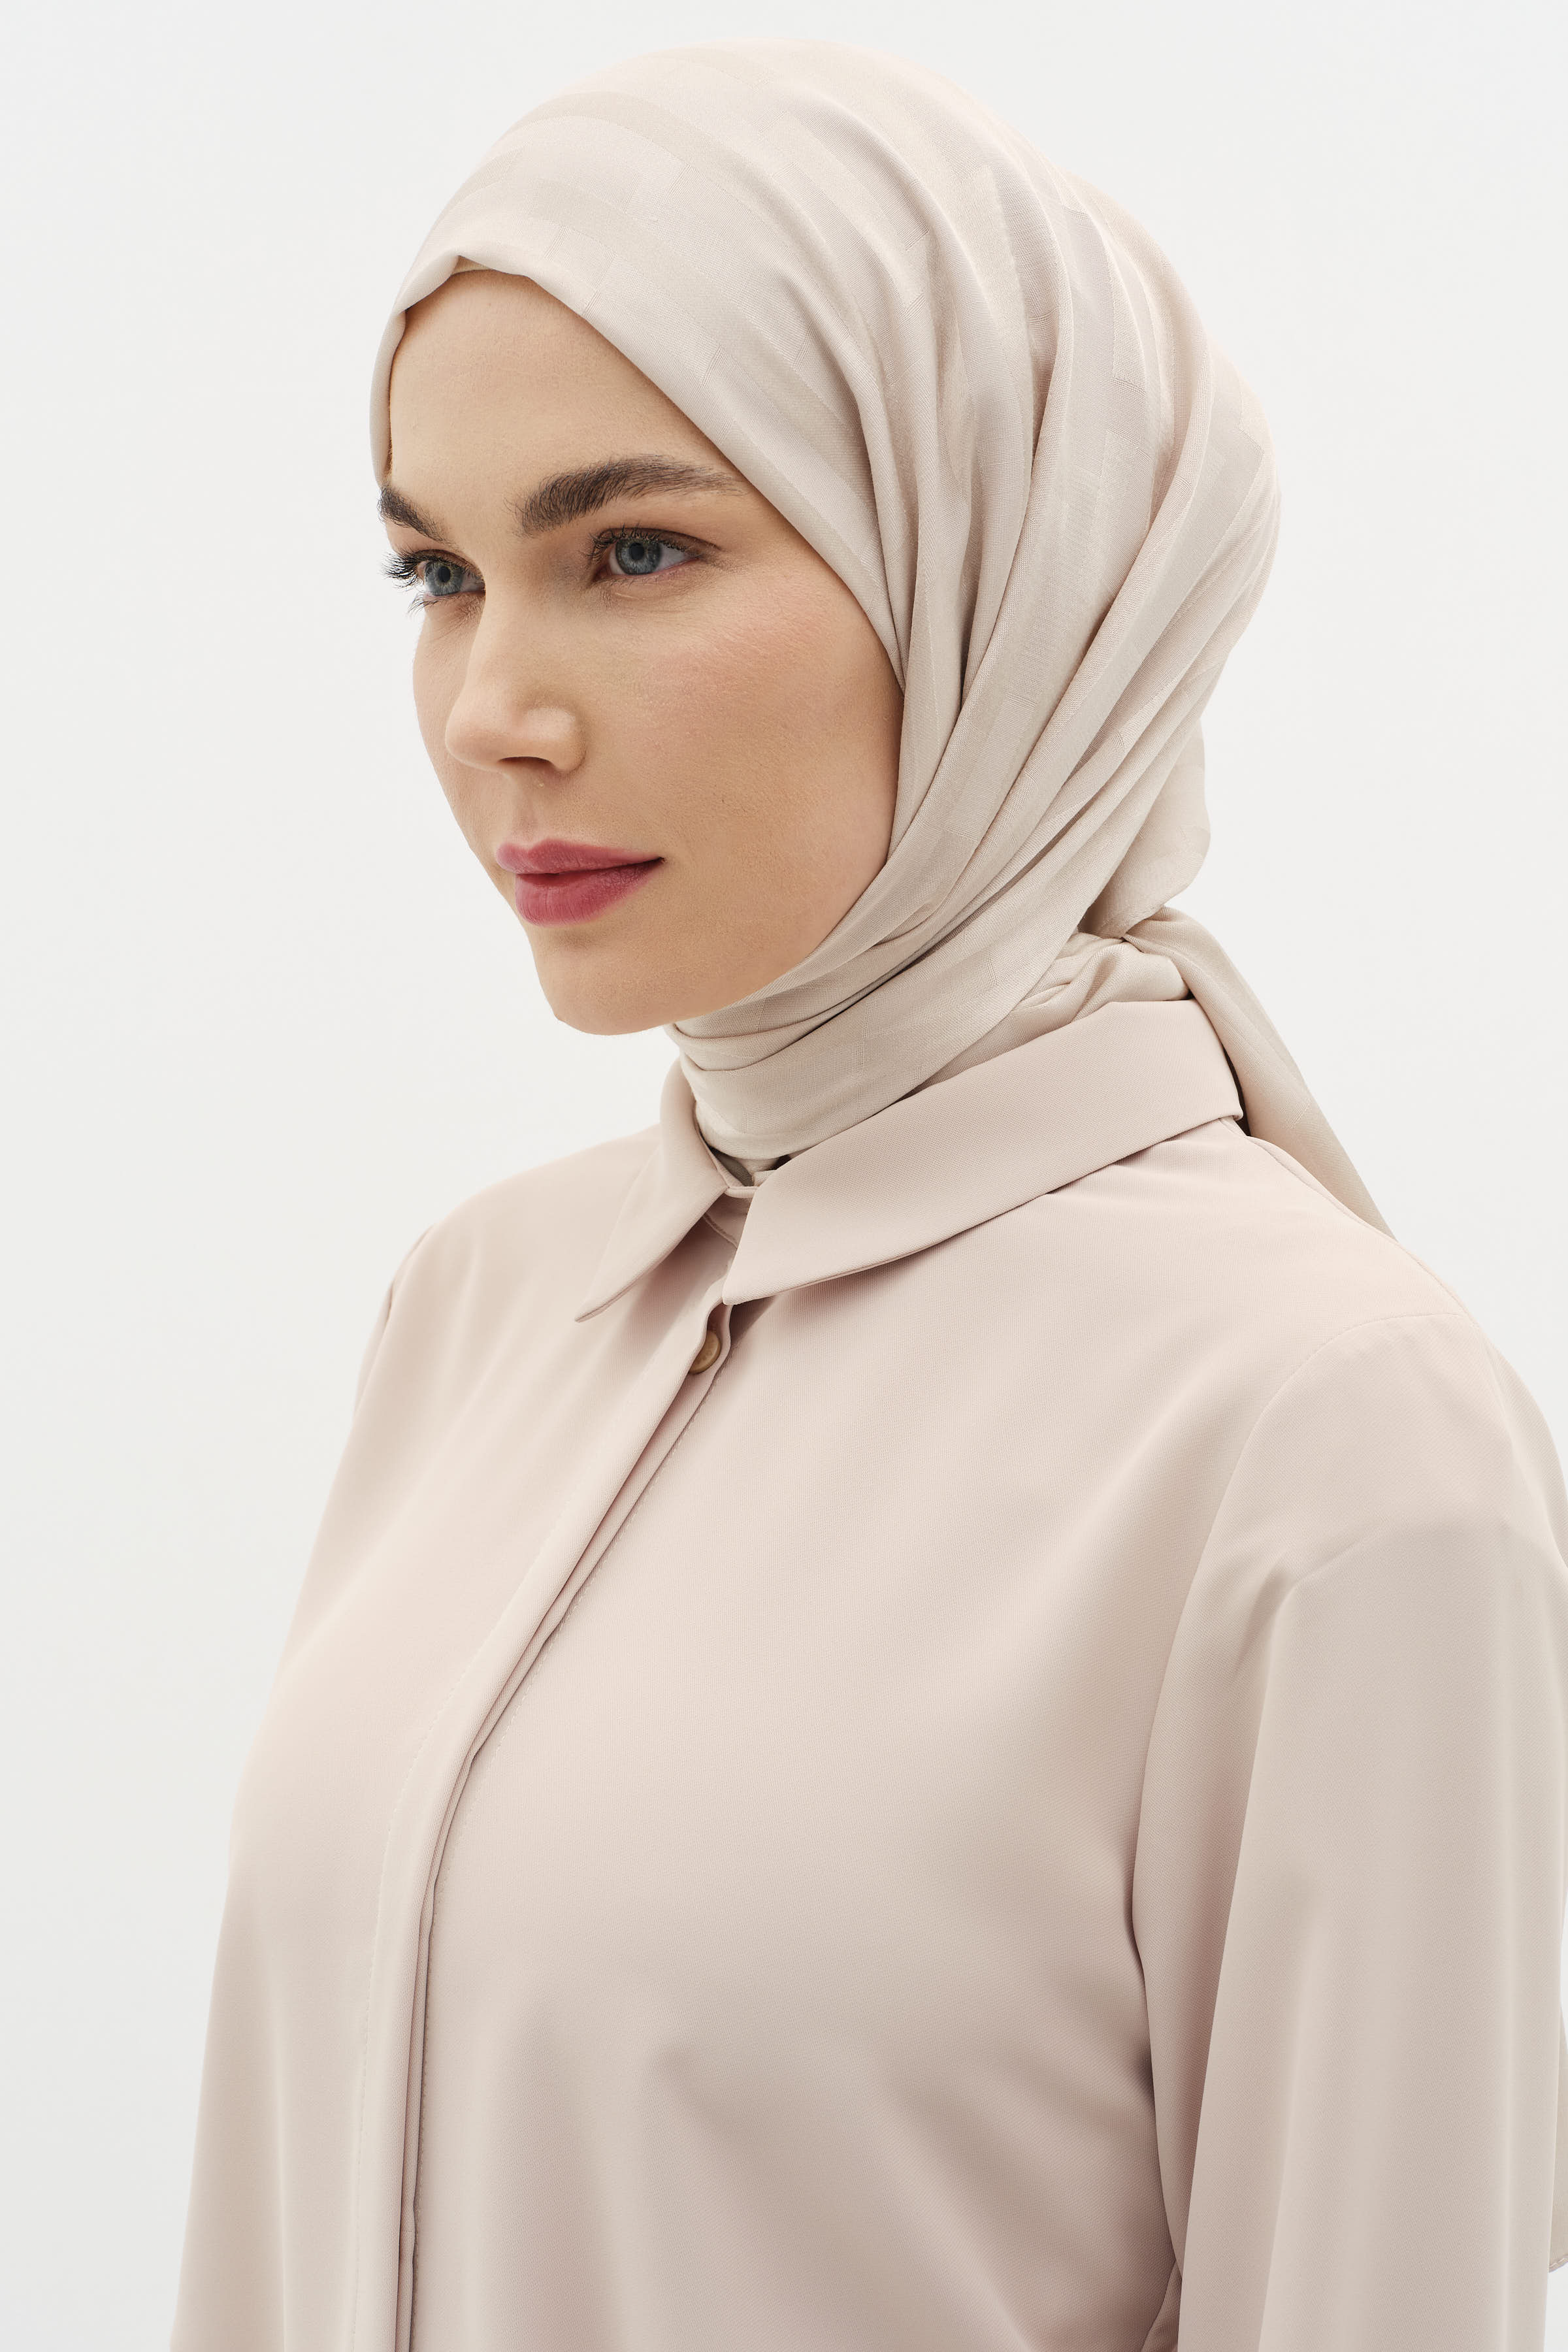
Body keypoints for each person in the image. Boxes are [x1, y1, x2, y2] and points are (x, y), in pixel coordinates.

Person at [172, 41, 1568, 2352]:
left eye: (635, 551)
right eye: (439, 571)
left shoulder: (1324, 1437)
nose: (494, 704)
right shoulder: (482, 1309)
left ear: (1009, 575)